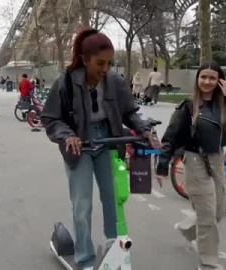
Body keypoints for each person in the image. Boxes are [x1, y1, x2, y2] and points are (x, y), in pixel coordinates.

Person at [41, 27, 159, 269]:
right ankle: (84, 259)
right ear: (85, 59)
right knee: (82, 204)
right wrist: (67, 136)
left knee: (113, 199)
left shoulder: (115, 82)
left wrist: (144, 130)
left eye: (109, 63)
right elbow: (51, 118)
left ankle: (113, 248)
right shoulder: (66, 82)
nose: (105, 69)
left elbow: (129, 113)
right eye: (99, 63)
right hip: (78, 144)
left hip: (108, 141)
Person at [156, 62, 226, 270]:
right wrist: (162, 166)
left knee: (218, 212)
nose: (207, 81)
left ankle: (186, 228)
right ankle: (207, 263)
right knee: (207, 216)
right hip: (195, 160)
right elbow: (169, 137)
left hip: (216, 160)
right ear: (197, 79)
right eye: (203, 77)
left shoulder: (223, 106)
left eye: (212, 78)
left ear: (219, 81)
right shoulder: (188, 107)